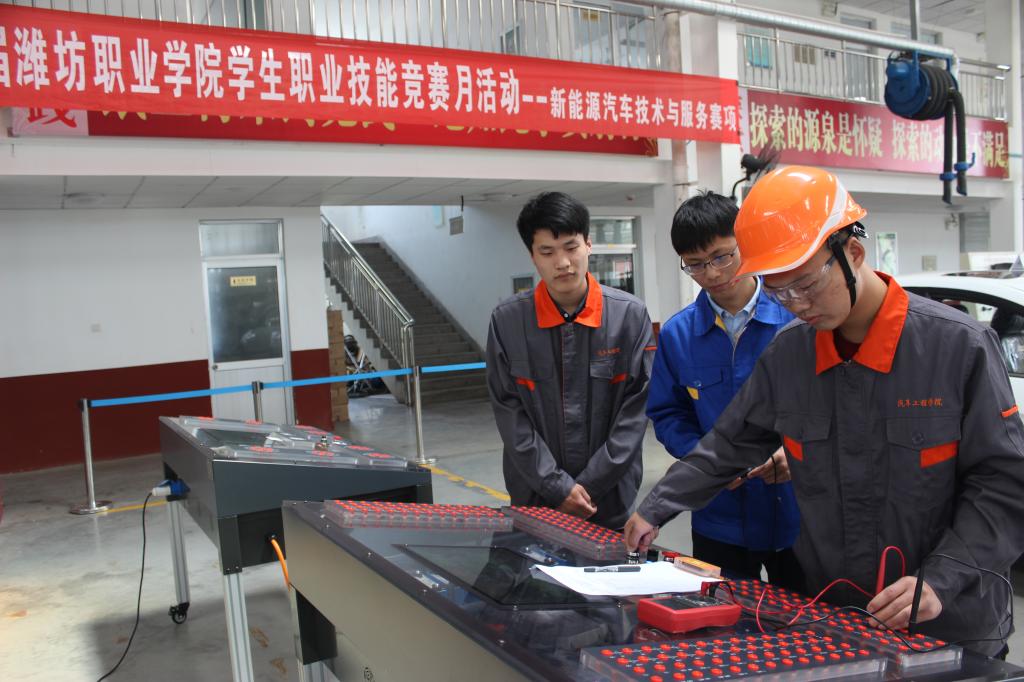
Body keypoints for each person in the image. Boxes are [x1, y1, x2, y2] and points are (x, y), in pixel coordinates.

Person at [624, 166, 1024, 656]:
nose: (796, 304)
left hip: (952, 624)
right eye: (778, 291)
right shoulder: (790, 355)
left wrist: (944, 577)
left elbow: (1005, 485)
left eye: (806, 284)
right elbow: (728, 445)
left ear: (853, 253)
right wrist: (656, 506)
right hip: (837, 617)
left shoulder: (958, 347)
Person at [647, 191, 803, 591]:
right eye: (696, 264)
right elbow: (667, 414)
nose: (713, 273)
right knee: (722, 618)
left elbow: (832, 405)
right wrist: (706, 460)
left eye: (722, 256)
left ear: (745, 245)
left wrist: (797, 453)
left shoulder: (797, 319)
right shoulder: (679, 335)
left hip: (798, 511)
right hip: (719, 515)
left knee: (806, 619)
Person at [486, 192, 655, 529]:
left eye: (571, 247)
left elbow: (635, 414)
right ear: (533, 256)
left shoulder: (629, 317)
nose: (562, 262)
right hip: (536, 499)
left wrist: (587, 488)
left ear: (589, 245)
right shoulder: (507, 322)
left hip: (608, 501)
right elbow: (509, 413)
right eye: (547, 252)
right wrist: (556, 487)